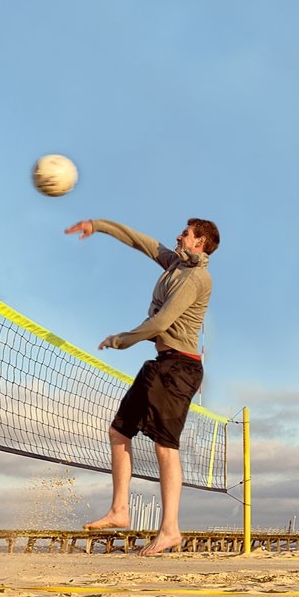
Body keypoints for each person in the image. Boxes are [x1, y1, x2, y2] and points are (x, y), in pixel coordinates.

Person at [64, 216, 219, 556]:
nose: (179, 235)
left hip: (181, 368)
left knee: (166, 447)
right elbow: (140, 241)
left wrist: (123, 339)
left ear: (200, 244)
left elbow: (162, 322)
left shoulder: (196, 277)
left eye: (187, 234)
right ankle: (120, 510)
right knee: (119, 431)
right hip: (160, 364)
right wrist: (97, 225)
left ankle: (170, 530)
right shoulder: (175, 263)